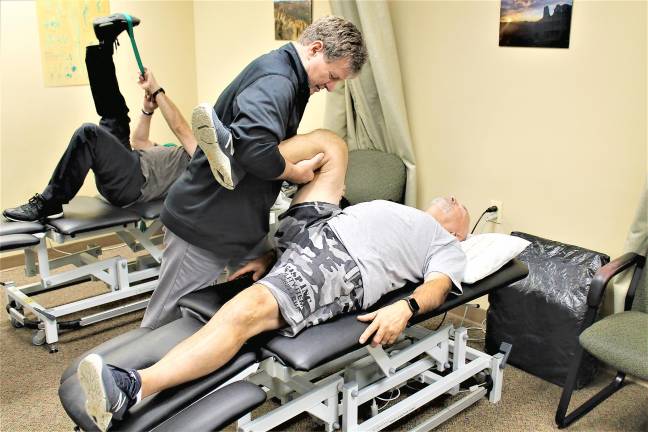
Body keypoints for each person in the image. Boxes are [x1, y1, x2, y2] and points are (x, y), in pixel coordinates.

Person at [77, 129, 470, 432]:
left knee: (243, 314)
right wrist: (271, 254)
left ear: (458, 234)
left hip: (339, 264)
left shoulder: (445, 245)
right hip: (316, 230)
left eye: (460, 207)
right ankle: (238, 157)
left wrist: (407, 307)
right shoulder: (405, 213)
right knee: (331, 144)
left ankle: (131, 388)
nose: (452, 197)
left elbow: (436, 286)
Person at [138, 16, 368, 330]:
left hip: (242, 225)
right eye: (331, 76)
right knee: (164, 324)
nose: (330, 87)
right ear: (315, 49)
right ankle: (131, 377)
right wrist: (294, 172)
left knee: (259, 295)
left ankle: (228, 148)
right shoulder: (278, 80)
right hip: (205, 222)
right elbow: (256, 150)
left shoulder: (287, 77)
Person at [2, 15, 196, 223]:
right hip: (130, 166)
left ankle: (50, 202)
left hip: (132, 184)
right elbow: (139, 142)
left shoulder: (204, 158)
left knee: (89, 134)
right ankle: (105, 44)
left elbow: (180, 128)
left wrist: (157, 90)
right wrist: (147, 110)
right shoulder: (175, 153)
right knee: (115, 114)